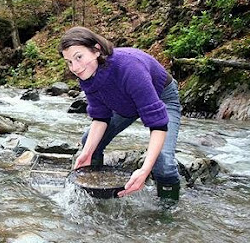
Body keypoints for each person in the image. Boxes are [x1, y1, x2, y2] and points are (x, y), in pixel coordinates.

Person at [59, 26, 181, 202]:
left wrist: (144, 171)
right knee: (90, 143)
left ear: (96, 50)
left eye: (79, 57)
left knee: (162, 163)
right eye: (69, 61)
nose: (75, 68)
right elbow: (101, 117)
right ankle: (98, 195)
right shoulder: (87, 75)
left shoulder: (130, 68)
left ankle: (168, 210)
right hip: (124, 101)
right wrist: (86, 153)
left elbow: (158, 124)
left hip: (162, 96)